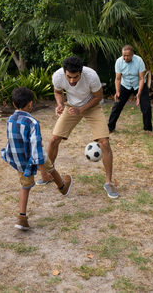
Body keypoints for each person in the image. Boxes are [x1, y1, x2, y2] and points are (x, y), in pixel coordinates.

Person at [36, 56, 118, 199]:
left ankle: (109, 183)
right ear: (64, 72)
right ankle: (48, 175)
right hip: (71, 107)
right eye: (69, 77)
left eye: (75, 77)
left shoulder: (91, 76)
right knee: (54, 139)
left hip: (92, 106)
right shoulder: (57, 76)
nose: (72, 81)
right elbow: (58, 92)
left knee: (104, 142)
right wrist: (60, 104)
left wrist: (82, 109)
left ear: (81, 72)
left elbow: (98, 97)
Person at [0, 87, 73, 231]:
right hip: (32, 156)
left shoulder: (10, 119)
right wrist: (43, 174)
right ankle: (63, 187)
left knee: (25, 186)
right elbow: (36, 150)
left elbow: (14, 139)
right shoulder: (32, 122)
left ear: (14, 104)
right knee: (49, 166)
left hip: (19, 159)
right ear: (30, 104)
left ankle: (22, 218)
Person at [108, 45, 153, 136]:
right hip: (125, 85)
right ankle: (110, 127)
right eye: (123, 55)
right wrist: (117, 92)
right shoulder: (119, 62)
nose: (125, 58)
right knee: (117, 106)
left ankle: (148, 129)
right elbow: (117, 79)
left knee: (146, 107)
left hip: (139, 85)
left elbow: (141, 78)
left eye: (128, 55)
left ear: (132, 54)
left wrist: (139, 93)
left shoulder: (139, 61)